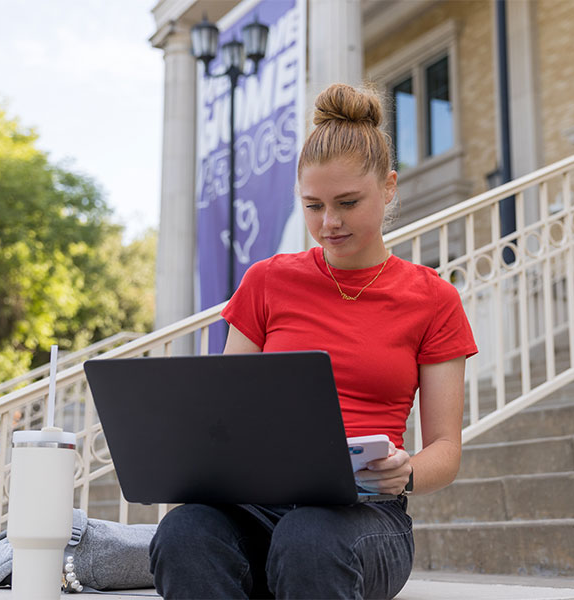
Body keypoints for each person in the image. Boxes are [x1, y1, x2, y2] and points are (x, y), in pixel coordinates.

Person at [149, 83, 478, 599]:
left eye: (348, 203)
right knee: (184, 532)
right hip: (258, 507)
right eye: (313, 205)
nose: (329, 223)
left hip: (365, 516)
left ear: (389, 188)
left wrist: (406, 472)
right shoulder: (267, 281)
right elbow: (225, 415)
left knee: (310, 538)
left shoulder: (432, 299)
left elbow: (446, 450)